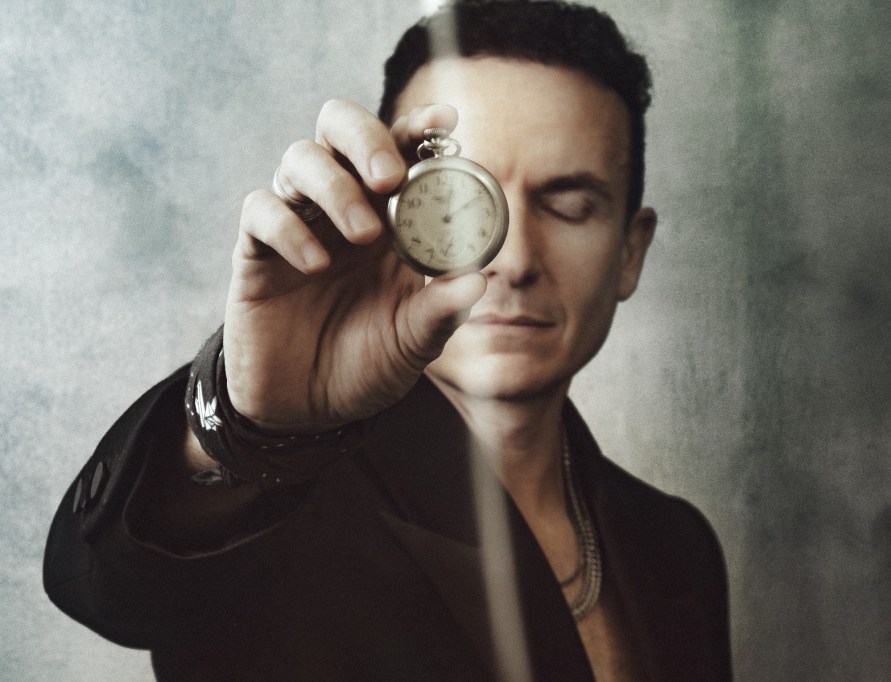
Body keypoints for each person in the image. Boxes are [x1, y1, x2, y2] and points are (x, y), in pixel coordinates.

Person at [43, 1, 731, 679]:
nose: (514, 259)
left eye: (571, 206)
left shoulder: (676, 546)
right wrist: (246, 426)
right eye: (460, 202)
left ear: (630, 253)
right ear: (392, 210)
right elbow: (103, 586)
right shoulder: (275, 505)